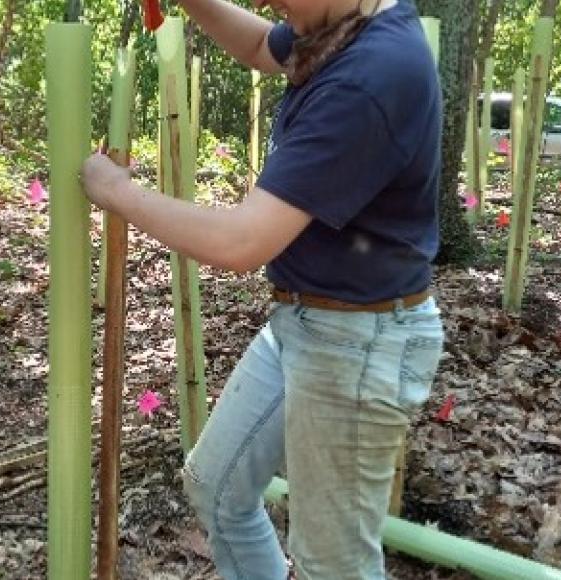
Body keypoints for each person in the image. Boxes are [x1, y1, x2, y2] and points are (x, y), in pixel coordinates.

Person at [80, 0, 445, 577]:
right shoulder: (342, 24)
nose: (269, 3)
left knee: (334, 565)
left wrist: (118, 193)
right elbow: (259, 47)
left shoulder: (373, 73)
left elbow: (242, 242)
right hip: (305, 324)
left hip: (357, 342)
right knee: (218, 489)